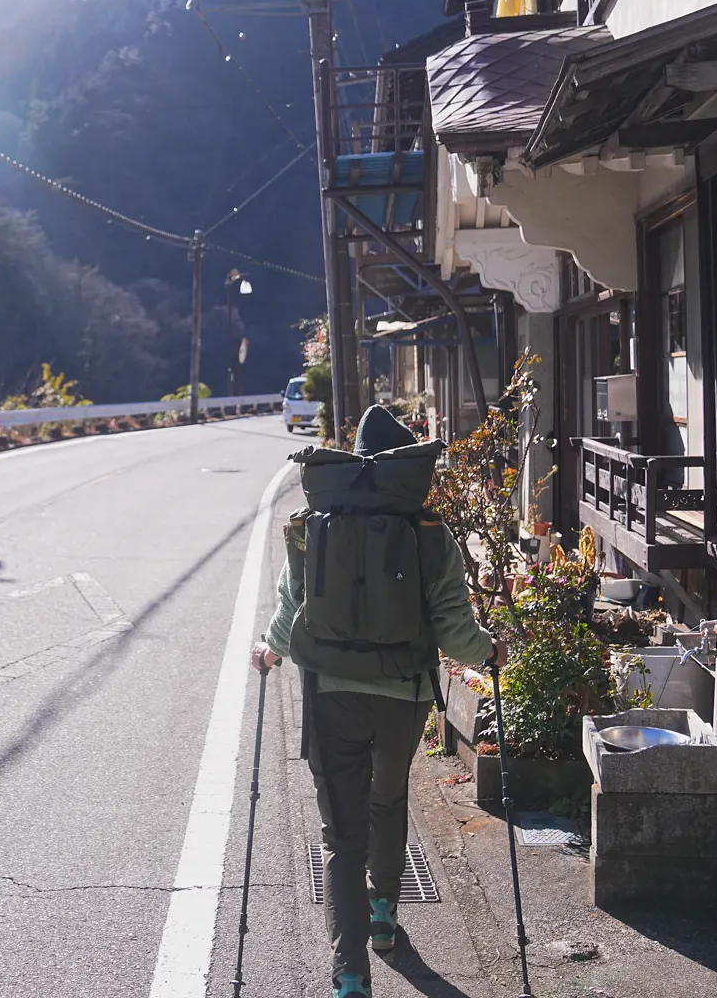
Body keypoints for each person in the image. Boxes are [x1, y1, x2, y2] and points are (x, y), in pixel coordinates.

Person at [252, 404, 505, 998]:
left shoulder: (314, 521)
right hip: (402, 696)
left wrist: (270, 649)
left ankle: (349, 976)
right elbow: (453, 627)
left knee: (341, 835)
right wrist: (488, 652)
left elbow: (294, 609)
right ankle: (384, 918)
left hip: (330, 692)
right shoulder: (428, 532)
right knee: (388, 799)